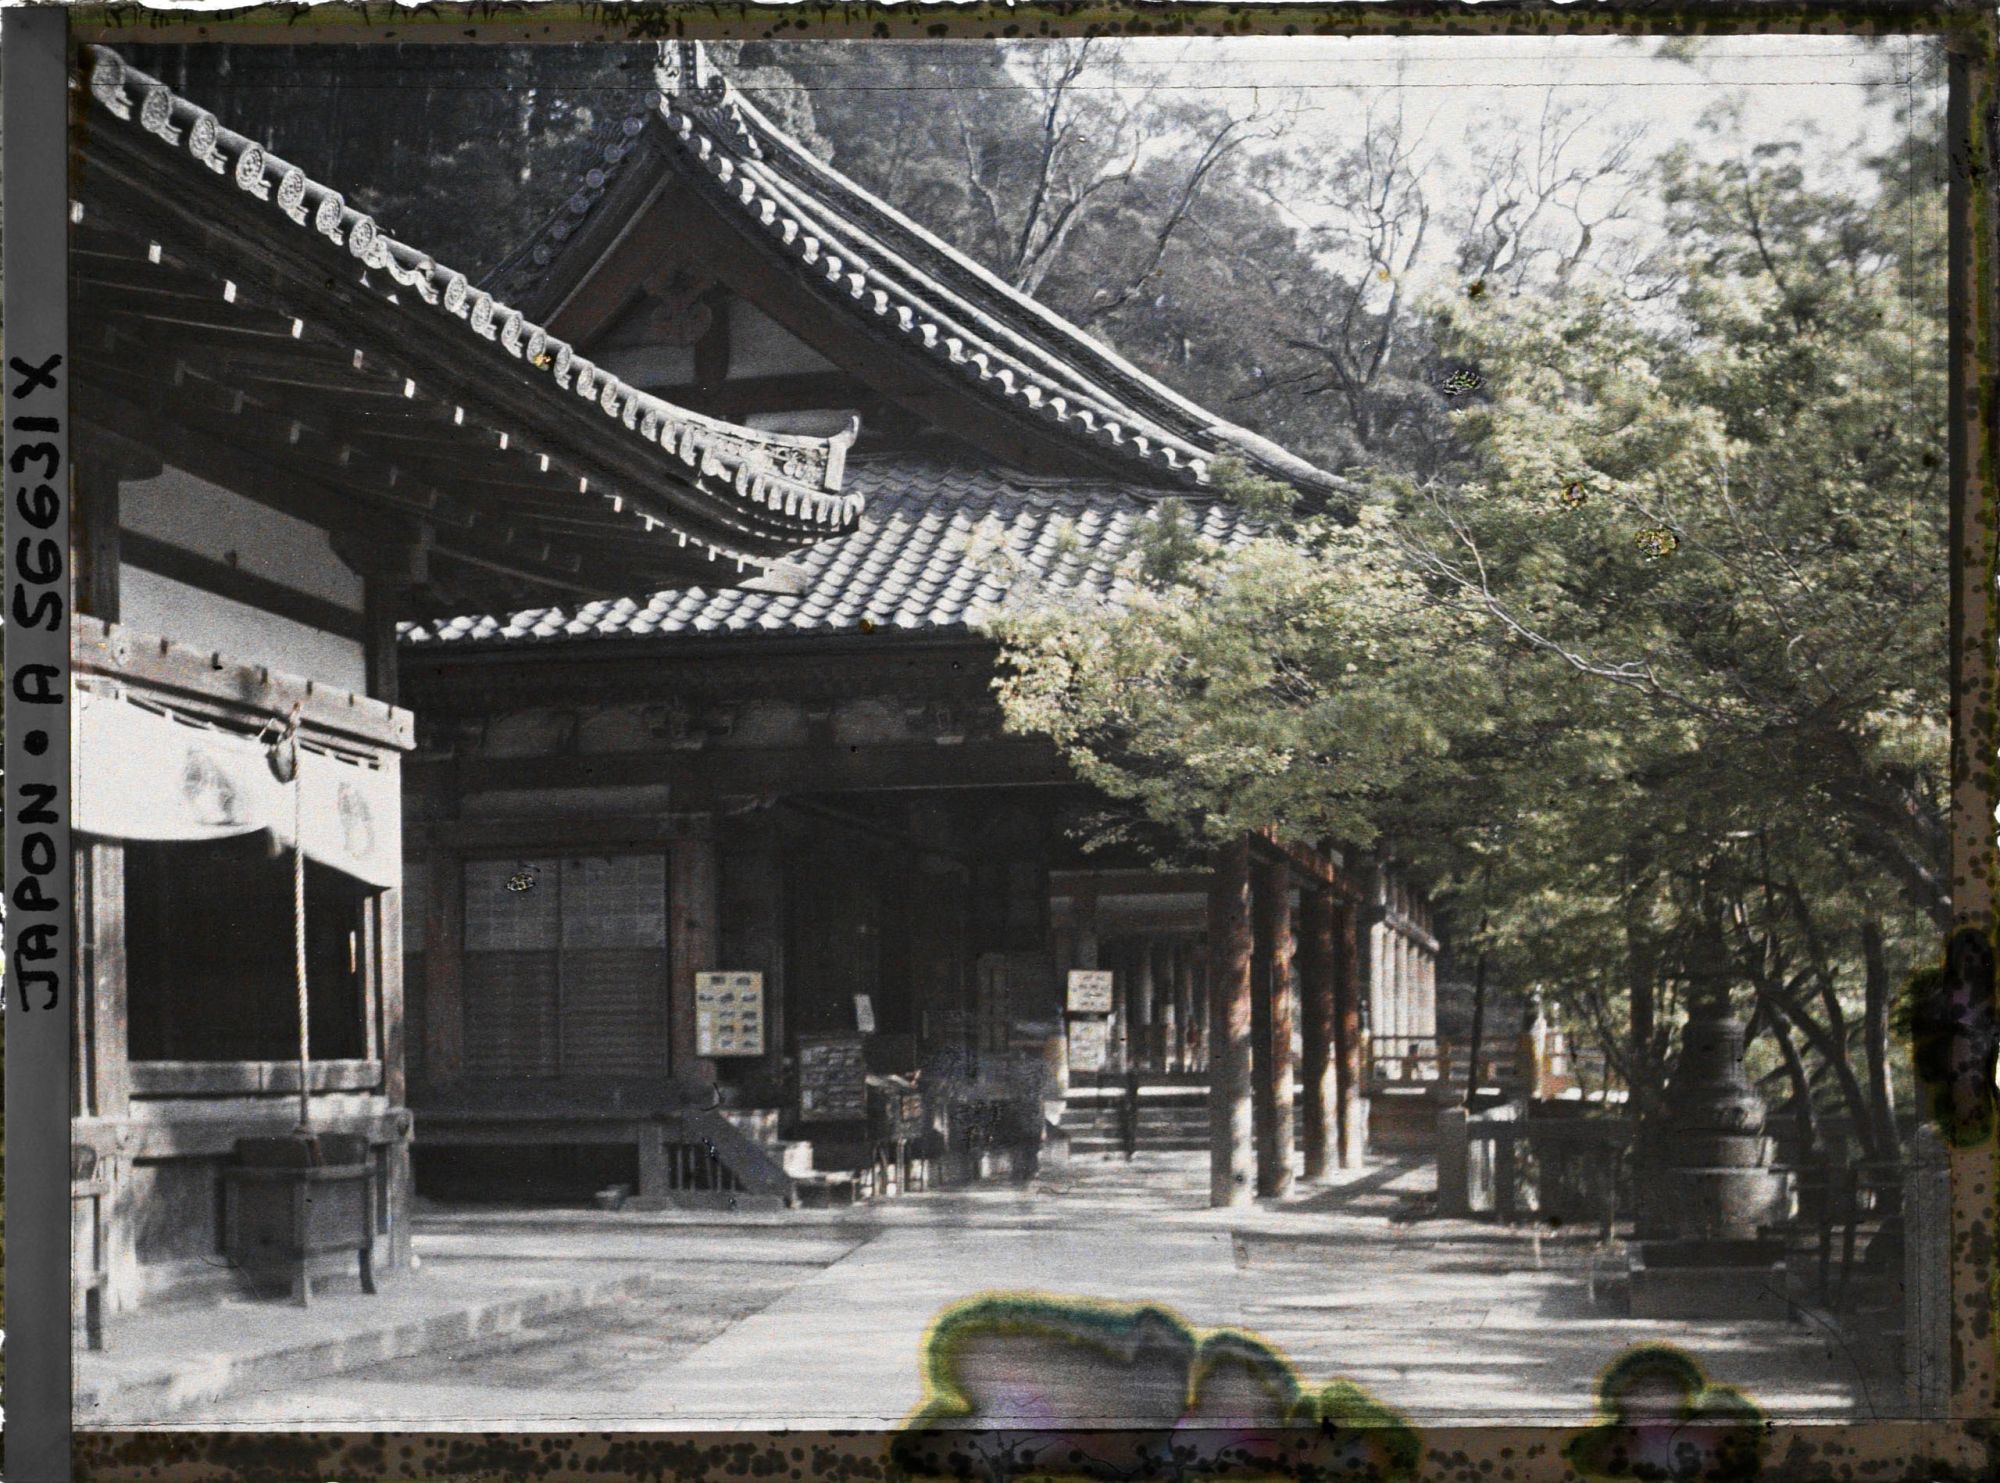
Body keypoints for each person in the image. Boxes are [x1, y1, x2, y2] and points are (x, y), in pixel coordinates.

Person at [1118, 1064, 1142, 1161]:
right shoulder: (1133, 1085)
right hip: (1131, 1108)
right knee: (1130, 1130)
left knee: (1129, 1131)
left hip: (1129, 1108)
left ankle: (1129, 1151)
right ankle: (1130, 1151)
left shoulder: (1128, 1085)